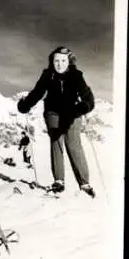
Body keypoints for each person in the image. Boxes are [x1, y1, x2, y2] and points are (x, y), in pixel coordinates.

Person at [17, 46, 95, 197]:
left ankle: (84, 183)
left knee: (73, 144)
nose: (59, 64)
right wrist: (25, 105)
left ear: (69, 61)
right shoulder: (48, 75)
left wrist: (85, 105)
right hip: (53, 112)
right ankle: (58, 181)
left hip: (73, 112)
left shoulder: (76, 75)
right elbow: (37, 92)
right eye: (56, 61)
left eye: (63, 60)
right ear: (52, 62)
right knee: (56, 141)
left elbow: (87, 95)